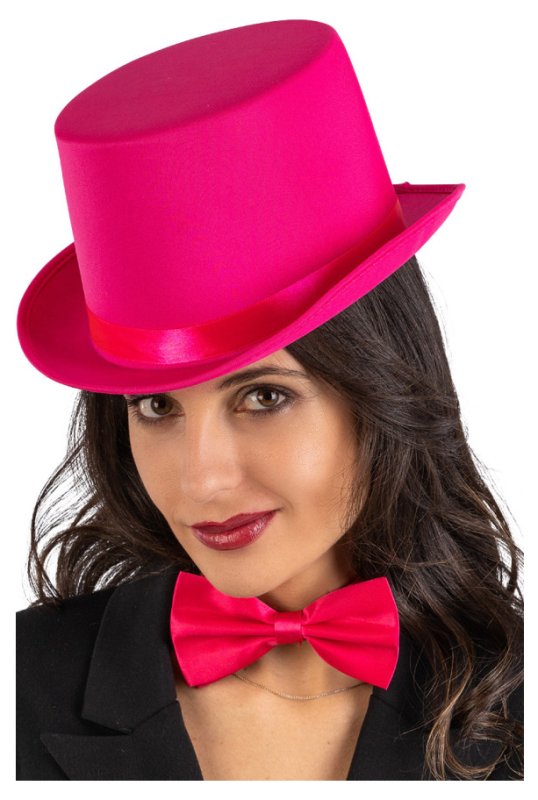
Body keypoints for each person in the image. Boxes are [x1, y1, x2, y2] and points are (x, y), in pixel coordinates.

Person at [15, 19, 523, 781]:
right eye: (156, 406)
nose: (202, 480)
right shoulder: (19, 682)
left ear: (383, 387)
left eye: (262, 395)